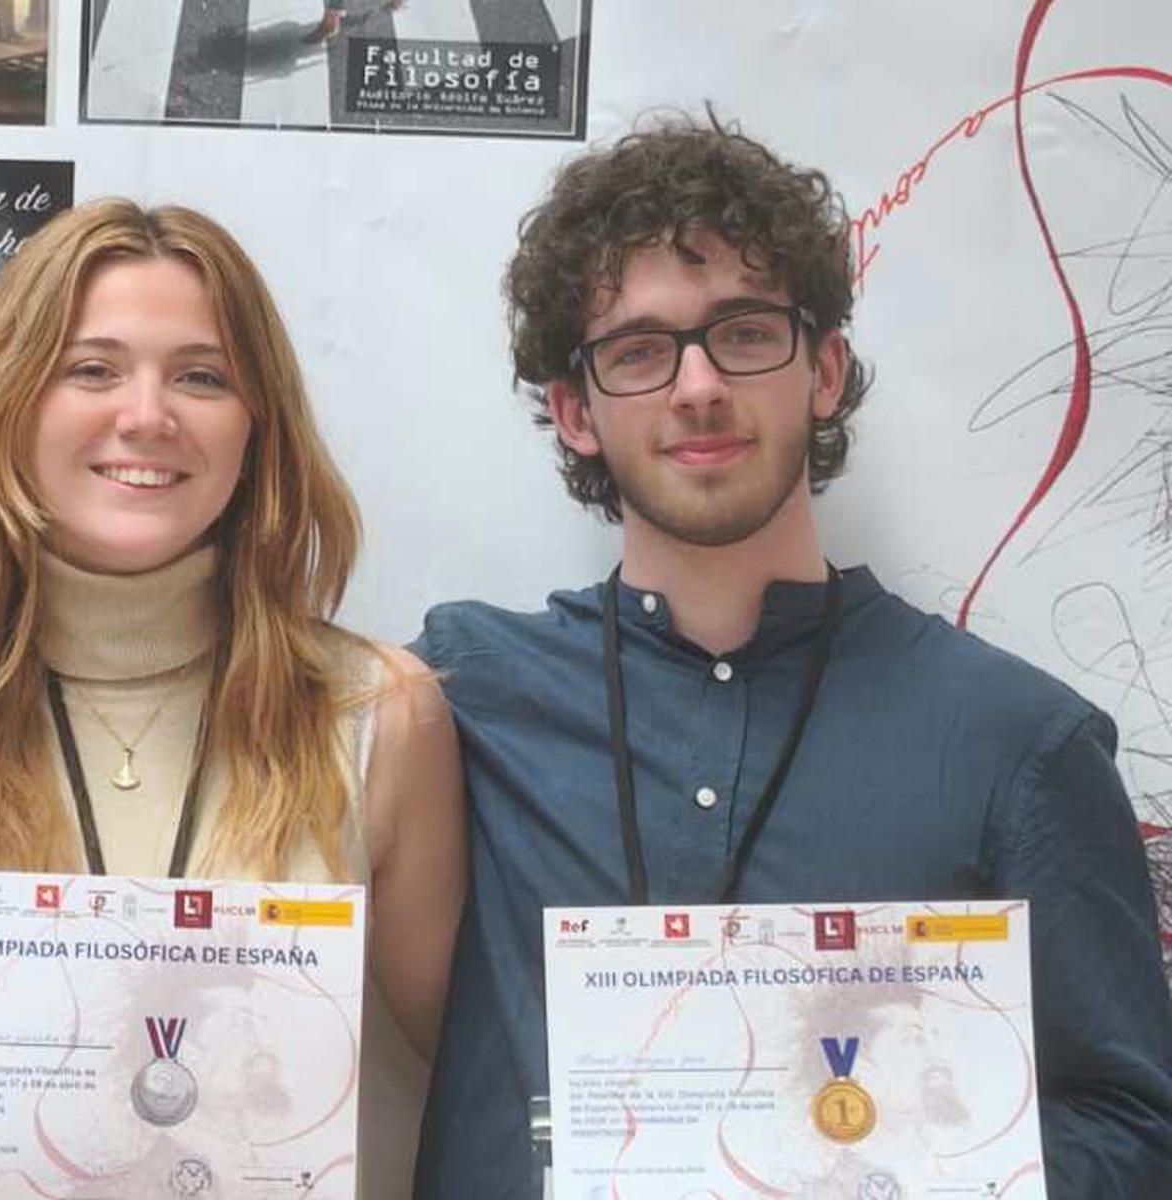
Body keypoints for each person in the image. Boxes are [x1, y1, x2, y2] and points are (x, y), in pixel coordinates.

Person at [410, 114, 1172, 1197]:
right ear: (574, 412)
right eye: (638, 350)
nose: (696, 386)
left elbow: (1135, 1131)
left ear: (822, 370)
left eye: (743, 331)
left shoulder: (1017, 743)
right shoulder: (452, 700)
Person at [0, 198, 466, 1199]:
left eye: (201, 376)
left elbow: (475, 1095)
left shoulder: (379, 717)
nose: (146, 415)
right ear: (11, 401)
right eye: (91, 370)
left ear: (257, 423)